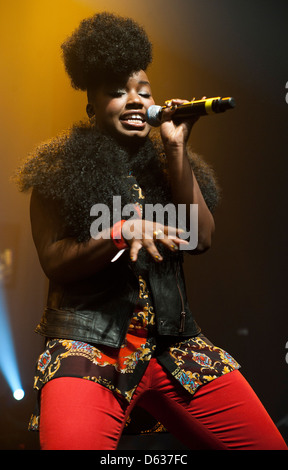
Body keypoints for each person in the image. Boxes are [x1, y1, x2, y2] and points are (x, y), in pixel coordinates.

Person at [14, 12, 287, 450]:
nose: (136, 100)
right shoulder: (57, 171)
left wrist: (176, 147)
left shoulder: (169, 164)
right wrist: (120, 231)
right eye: (117, 92)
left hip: (174, 346)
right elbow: (53, 260)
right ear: (92, 107)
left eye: (144, 91)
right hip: (91, 346)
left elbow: (201, 238)